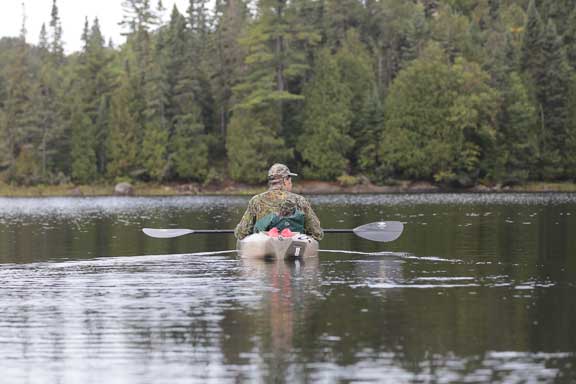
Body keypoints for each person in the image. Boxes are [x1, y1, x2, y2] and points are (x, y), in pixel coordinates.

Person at [234, 163, 324, 241]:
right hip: (293, 247)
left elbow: (241, 233)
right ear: (285, 180)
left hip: (263, 246)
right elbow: (317, 233)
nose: (291, 183)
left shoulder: (256, 200)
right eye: (290, 180)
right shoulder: (300, 200)